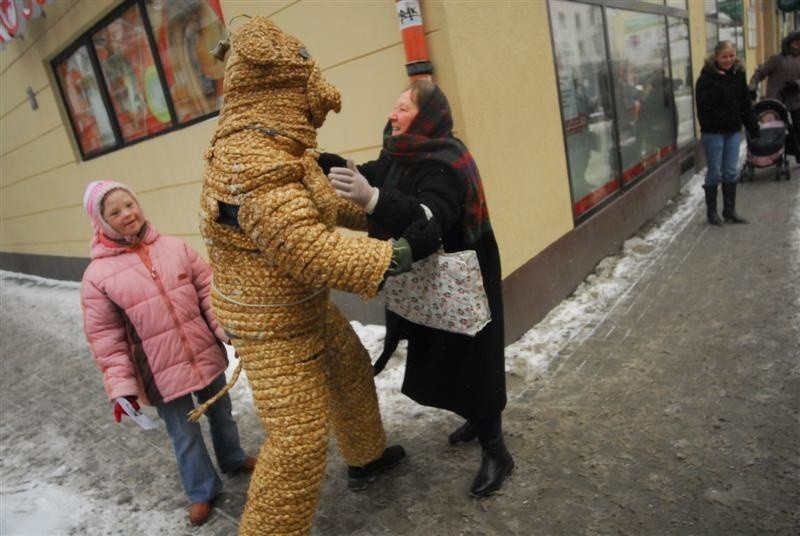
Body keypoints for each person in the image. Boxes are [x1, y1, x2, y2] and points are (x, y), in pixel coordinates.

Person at [197, 17, 422, 535]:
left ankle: (367, 457)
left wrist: (377, 209)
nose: (317, 108)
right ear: (279, 94)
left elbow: (317, 203)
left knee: (349, 372)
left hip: (303, 305)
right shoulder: (250, 168)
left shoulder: (278, 151)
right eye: (305, 98)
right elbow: (310, 251)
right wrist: (399, 252)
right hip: (270, 327)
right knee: (297, 442)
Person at [322, 79, 515, 498]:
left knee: (476, 362)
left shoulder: (447, 161)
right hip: (432, 281)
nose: (393, 114)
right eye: (394, 106)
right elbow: (377, 176)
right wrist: (322, 162)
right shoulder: (400, 152)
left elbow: (430, 215)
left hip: (464, 279)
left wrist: (372, 199)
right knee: (450, 359)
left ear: (427, 118)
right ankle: (474, 416)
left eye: (403, 109)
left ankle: (496, 450)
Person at [79, 180, 256, 526]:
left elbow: (208, 293)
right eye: (115, 212)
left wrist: (226, 331)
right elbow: (106, 338)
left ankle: (233, 457)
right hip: (158, 372)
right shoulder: (97, 277)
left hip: (202, 351)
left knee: (221, 412)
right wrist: (122, 388)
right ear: (101, 222)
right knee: (183, 434)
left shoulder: (174, 247)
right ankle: (202, 491)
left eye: (129, 204)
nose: (127, 214)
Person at [695, 41, 759, 225]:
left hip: (732, 131)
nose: (728, 60)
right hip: (713, 133)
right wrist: (720, 84)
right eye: (724, 56)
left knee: (731, 172)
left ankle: (729, 211)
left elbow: (745, 103)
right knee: (715, 172)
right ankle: (712, 213)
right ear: (715, 57)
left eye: (731, 55)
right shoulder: (706, 79)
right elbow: (703, 107)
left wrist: (753, 127)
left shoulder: (738, 75)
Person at [748, 30, 800, 151]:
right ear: (789, 43)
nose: (798, 45)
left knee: (797, 130)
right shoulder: (777, 59)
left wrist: (796, 84)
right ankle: (775, 154)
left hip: (796, 101)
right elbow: (760, 73)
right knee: (775, 130)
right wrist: (752, 86)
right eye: (796, 42)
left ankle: (796, 152)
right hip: (776, 102)